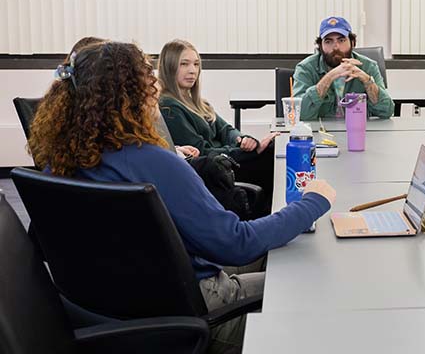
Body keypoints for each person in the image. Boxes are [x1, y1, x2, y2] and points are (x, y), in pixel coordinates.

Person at [27, 41, 336, 354]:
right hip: (202, 313)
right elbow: (236, 243)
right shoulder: (155, 162)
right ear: (133, 94)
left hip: (110, 313)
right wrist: (311, 203)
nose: (156, 86)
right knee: (313, 283)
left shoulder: (57, 164)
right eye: (148, 80)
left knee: (279, 255)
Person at [158, 39, 277, 212]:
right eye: (184, 64)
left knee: (271, 149)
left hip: (227, 161)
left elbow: (225, 129)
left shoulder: (198, 103)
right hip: (218, 171)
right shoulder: (169, 107)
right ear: (169, 68)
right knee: (269, 156)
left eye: (196, 64)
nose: (192, 71)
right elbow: (203, 152)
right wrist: (244, 151)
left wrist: (241, 139)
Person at [65, 36, 200, 160]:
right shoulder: (148, 156)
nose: (156, 83)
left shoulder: (65, 153)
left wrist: (174, 151)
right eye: (147, 74)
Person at [292, 16, 393, 121]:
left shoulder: (368, 66)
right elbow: (299, 114)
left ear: (352, 43)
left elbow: (387, 111)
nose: (336, 47)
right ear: (320, 46)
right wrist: (329, 77)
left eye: (341, 40)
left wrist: (367, 81)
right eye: (328, 41)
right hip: (321, 133)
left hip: (359, 131)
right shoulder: (306, 68)